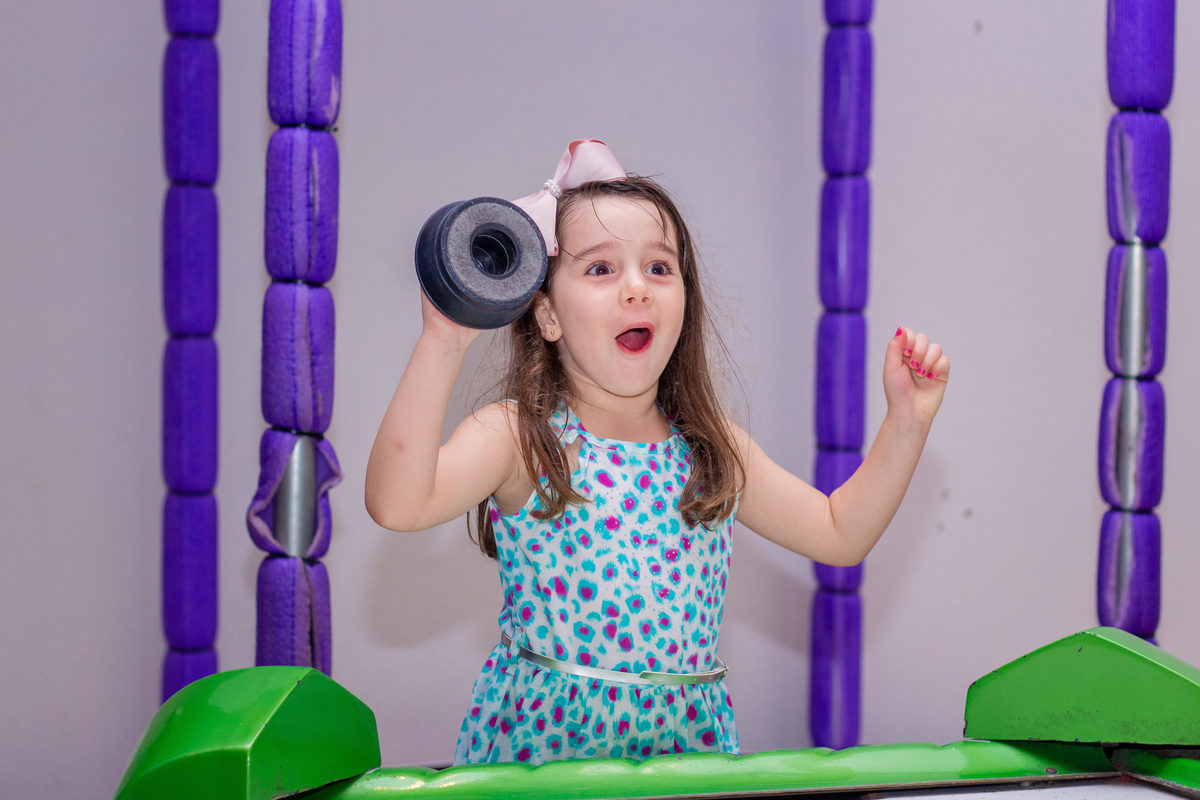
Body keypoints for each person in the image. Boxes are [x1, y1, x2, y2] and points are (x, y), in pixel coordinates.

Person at [365, 140, 950, 765]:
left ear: (683, 303)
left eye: (659, 268)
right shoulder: (519, 437)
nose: (637, 288)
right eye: (600, 270)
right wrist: (444, 338)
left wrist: (907, 420)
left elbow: (840, 534)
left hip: (686, 763)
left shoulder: (712, 449)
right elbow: (399, 503)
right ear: (547, 316)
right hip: (547, 765)